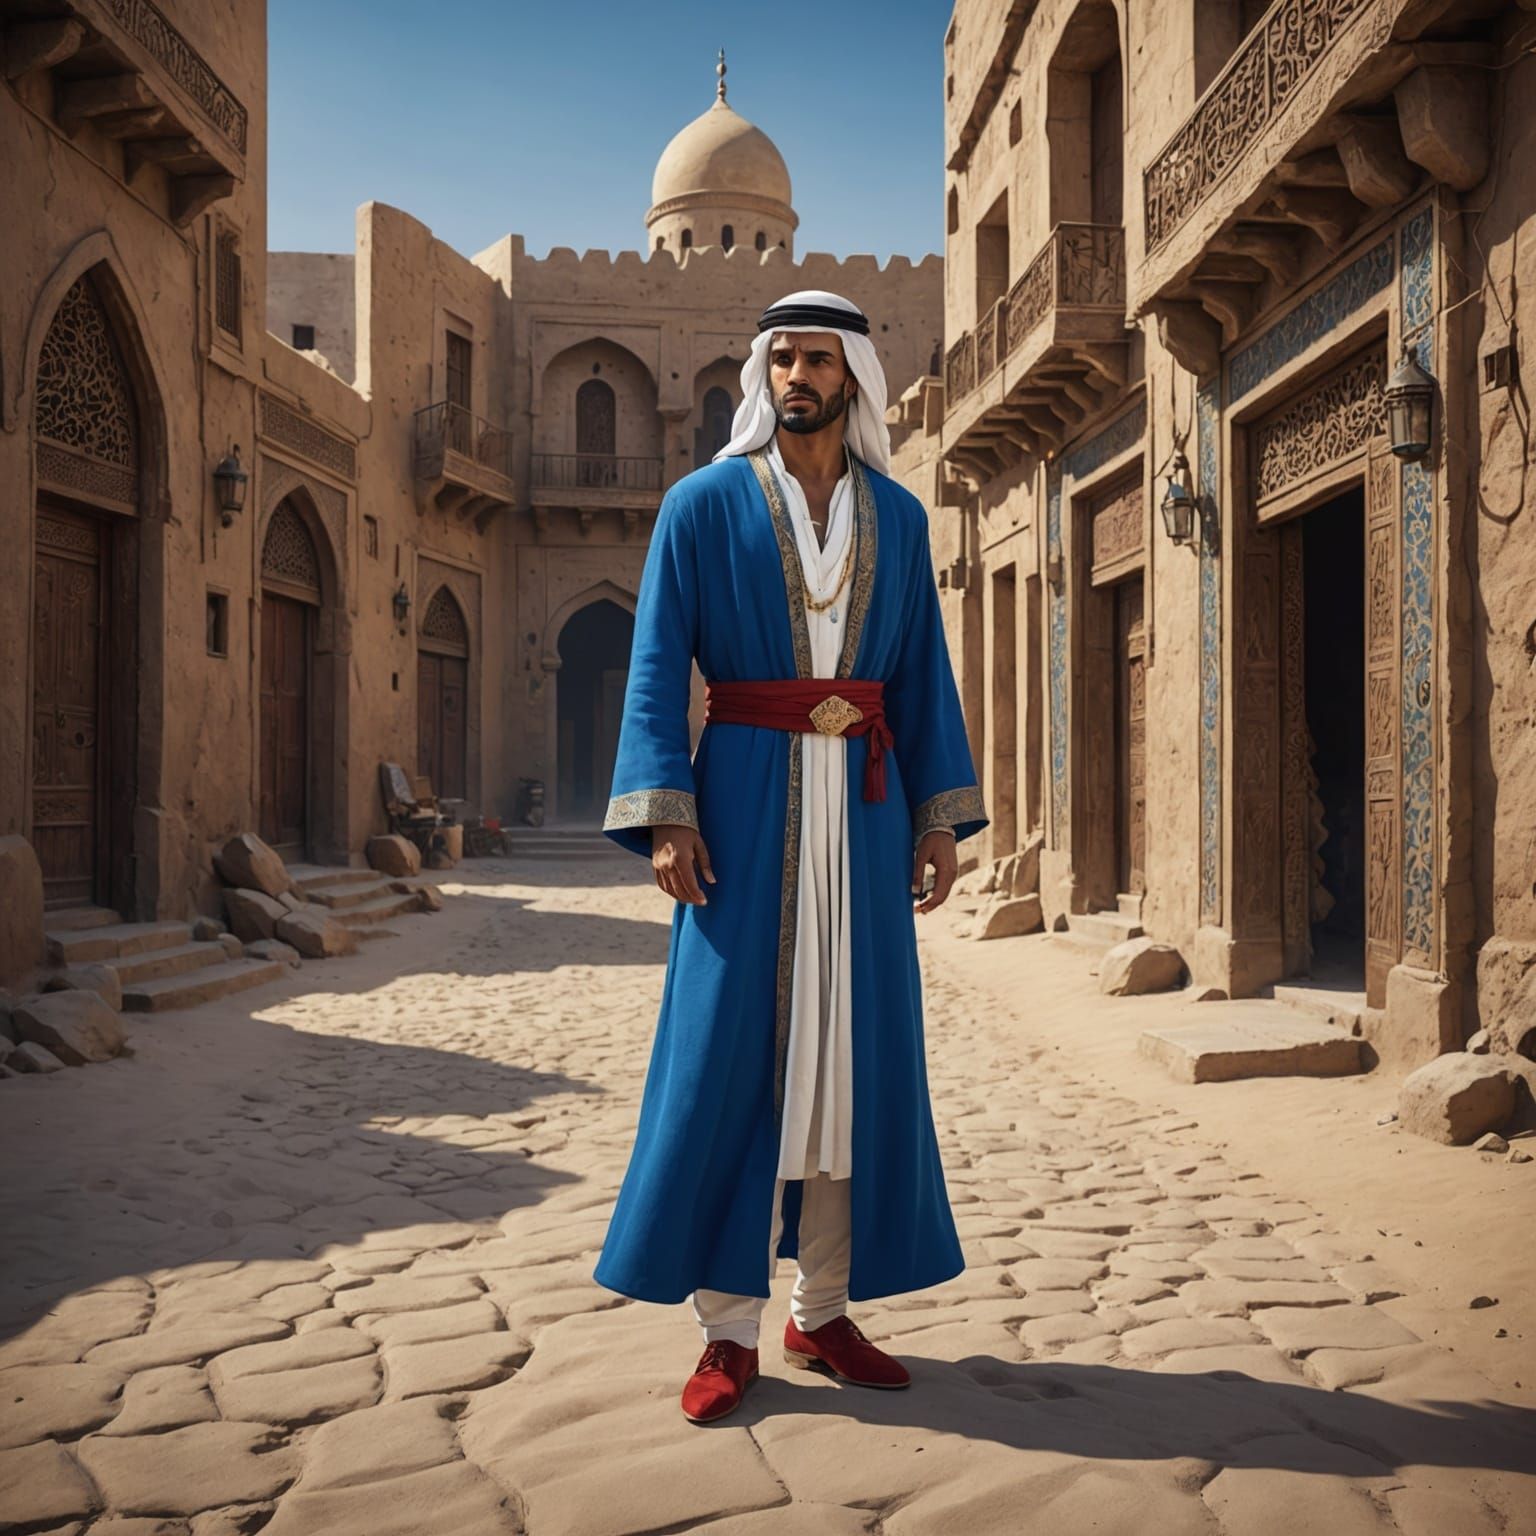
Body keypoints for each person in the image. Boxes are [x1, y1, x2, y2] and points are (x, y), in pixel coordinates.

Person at [595, 289, 986, 1424]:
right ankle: (727, 1333)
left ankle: (822, 1312)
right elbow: (659, 664)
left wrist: (936, 817)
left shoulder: (899, 519)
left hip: (865, 813)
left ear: (854, 374)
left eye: (819, 358)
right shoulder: (701, 505)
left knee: (850, 1065)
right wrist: (668, 813)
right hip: (741, 805)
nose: (798, 376)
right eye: (783, 359)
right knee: (729, 1063)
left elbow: (922, 677)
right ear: (764, 373)